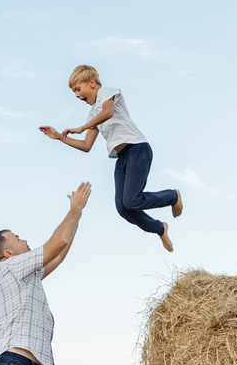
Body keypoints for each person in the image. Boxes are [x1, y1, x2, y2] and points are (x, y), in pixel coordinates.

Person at [39, 65, 182, 252]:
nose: (76, 95)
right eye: (74, 92)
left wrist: (81, 127)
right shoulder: (93, 114)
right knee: (123, 208)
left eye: (78, 89)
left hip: (137, 149)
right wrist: (59, 137)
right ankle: (160, 228)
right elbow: (86, 146)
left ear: (91, 83)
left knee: (132, 201)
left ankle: (172, 196)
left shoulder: (106, 92)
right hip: (121, 158)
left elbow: (108, 112)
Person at [0, 181, 92, 365]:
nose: (24, 240)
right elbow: (57, 243)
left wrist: (77, 215)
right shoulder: (10, 267)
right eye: (18, 238)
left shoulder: (25, 273)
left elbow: (58, 255)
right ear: (8, 252)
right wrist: (74, 210)